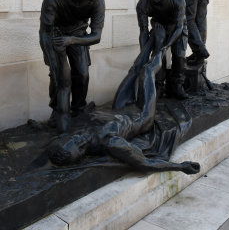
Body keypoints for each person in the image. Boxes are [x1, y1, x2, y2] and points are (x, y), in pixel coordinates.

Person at [48, 50, 200, 175]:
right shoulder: (111, 142)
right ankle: (164, 44)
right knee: (147, 71)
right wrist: (179, 167)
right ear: (81, 153)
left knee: (136, 68)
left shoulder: (70, 130)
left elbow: (63, 99)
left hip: (119, 107)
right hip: (142, 114)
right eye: (80, 146)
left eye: (73, 138)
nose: (80, 139)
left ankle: (152, 41)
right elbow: (144, 163)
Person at [39, 0, 106, 133]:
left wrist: (73, 40)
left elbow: (96, 36)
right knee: (58, 75)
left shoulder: (97, 1)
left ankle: (78, 109)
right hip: (55, 35)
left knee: (82, 74)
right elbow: (45, 31)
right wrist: (50, 58)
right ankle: (58, 112)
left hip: (76, 35)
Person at [136, 0, 188, 99]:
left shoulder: (178, 0)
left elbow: (179, 27)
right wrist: (144, 52)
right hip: (159, 27)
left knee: (179, 55)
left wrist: (167, 46)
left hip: (177, 28)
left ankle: (177, 86)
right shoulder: (143, 4)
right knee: (158, 55)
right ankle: (158, 86)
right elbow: (143, 31)